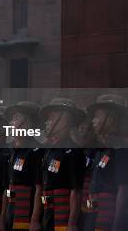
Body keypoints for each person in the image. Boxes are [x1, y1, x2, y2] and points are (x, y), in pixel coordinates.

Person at [36, 98, 86, 231]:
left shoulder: (73, 152)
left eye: (51, 119)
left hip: (63, 217)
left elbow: (76, 191)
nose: (47, 122)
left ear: (63, 121)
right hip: (48, 214)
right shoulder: (48, 151)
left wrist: (72, 223)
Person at [83, 94, 128, 231]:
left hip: (108, 216)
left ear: (109, 120)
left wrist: (117, 225)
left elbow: (123, 188)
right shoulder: (100, 149)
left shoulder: (121, 148)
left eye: (97, 117)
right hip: (93, 213)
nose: (93, 121)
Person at [0, 101, 44, 231]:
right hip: (10, 211)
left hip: (26, 211)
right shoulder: (10, 150)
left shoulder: (36, 150)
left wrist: (34, 220)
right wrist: (2, 219)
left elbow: (39, 188)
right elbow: (7, 187)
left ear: (28, 122)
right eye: (12, 118)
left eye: (16, 118)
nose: (12, 122)